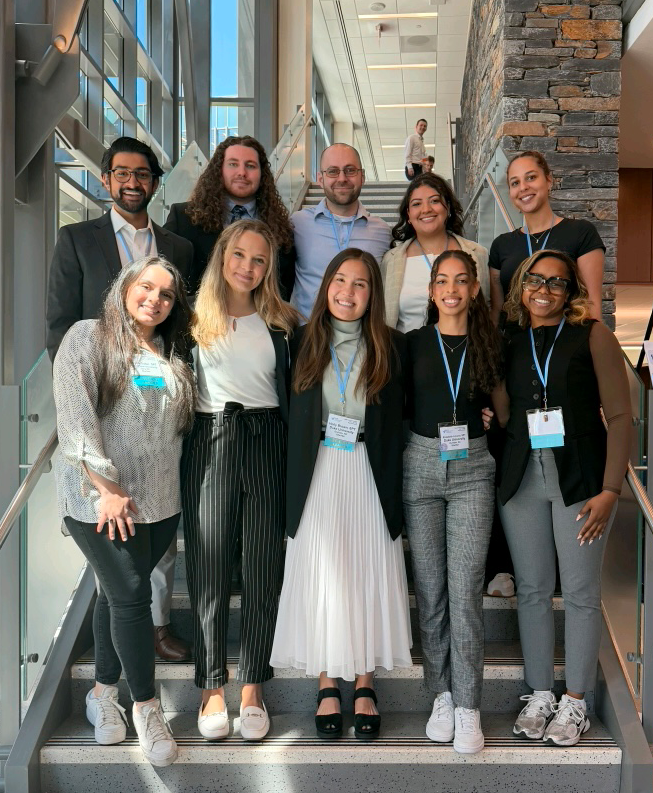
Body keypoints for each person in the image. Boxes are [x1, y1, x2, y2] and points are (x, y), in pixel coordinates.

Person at [46, 135, 193, 662]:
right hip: (101, 408)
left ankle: (156, 627)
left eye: (143, 174)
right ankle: (129, 671)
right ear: (106, 180)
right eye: (122, 173)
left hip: (156, 417)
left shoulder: (178, 248)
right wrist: (82, 397)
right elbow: (60, 327)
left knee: (154, 538)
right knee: (120, 570)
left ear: (155, 182)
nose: (133, 182)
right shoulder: (77, 239)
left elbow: (182, 332)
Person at [52, 256, 196, 767]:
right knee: (133, 597)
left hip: (160, 504)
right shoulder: (87, 337)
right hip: (99, 503)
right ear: (123, 286)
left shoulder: (169, 352)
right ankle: (147, 708)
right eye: (146, 287)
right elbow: (74, 416)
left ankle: (100, 696)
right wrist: (106, 489)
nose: (154, 299)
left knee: (115, 600)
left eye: (166, 294)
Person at [270, 249, 412, 740]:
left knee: (368, 569)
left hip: (371, 470)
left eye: (360, 285)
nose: (347, 293)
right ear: (326, 284)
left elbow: (409, 415)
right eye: (340, 281)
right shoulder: (300, 342)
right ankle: (328, 681)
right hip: (318, 471)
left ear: (373, 295)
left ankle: (366, 682)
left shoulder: (393, 346)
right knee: (321, 574)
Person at [492, 249, 631, 747]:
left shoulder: (593, 335)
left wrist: (611, 489)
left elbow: (619, 417)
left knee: (579, 593)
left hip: (582, 481)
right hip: (520, 479)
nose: (544, 289)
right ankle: (540, 692)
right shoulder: (508, 338)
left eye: (557, 282)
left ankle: (574, 701)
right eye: (535, 280)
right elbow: (504, 410)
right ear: (521, 285)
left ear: (571, 291)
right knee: (531, 589)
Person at [182, 220, 300, 742]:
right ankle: (211, 686)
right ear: (222, 256)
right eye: (239, 255)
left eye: (258, 260)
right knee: (208, 564)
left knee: (261, 563)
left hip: (266, 436)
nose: (247, 267)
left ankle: (252, 684)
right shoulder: (191, 320)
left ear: (268, 268)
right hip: (210, 436)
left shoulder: (283, 322)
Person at [404, 250, 503, 754]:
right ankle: (439, 693)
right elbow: (397, 407)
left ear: (474, 289)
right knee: (431, 590)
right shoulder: (412, 344)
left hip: (472, 471)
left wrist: (488, 417)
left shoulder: (489, 344)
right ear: (430, 290)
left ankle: (468, 705)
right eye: (442, 281)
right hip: (419, 466)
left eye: (462, 281)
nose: (452, 289)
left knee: (464, 591)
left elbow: (502, 405)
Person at [165, 135, 296, 297]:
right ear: (219, 170)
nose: (242, 173)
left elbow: (284, 288)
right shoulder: (183, 218)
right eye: (233, 164)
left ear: (262, 174)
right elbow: (166, 277)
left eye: (250, 166)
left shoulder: (281, 229)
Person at [489, 150, 606, 326]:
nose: (523, 187)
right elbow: (498, 311)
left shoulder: (581, 233)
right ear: (511, 193)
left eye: (531, 178)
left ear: (549, 180)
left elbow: (591, 306)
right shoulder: (501, 244)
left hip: (565, 345)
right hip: (514, 348)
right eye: (515, 183)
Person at [291, 143, 391, 319]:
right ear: (320, 179)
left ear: (362, 177)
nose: (342, 178)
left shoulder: (382, 233)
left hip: (361, 340)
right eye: (333, 171)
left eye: (350, 170)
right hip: (306, 339)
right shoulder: (297, 224)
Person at [381, 174, 489, 333]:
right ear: (408, 215)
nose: (426, 209)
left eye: (435, 201)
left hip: (465, 353)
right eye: (417, 204)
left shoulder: (477, 253)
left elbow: (487, 308)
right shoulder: (391, 260)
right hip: (405, 353)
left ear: (449, 208)